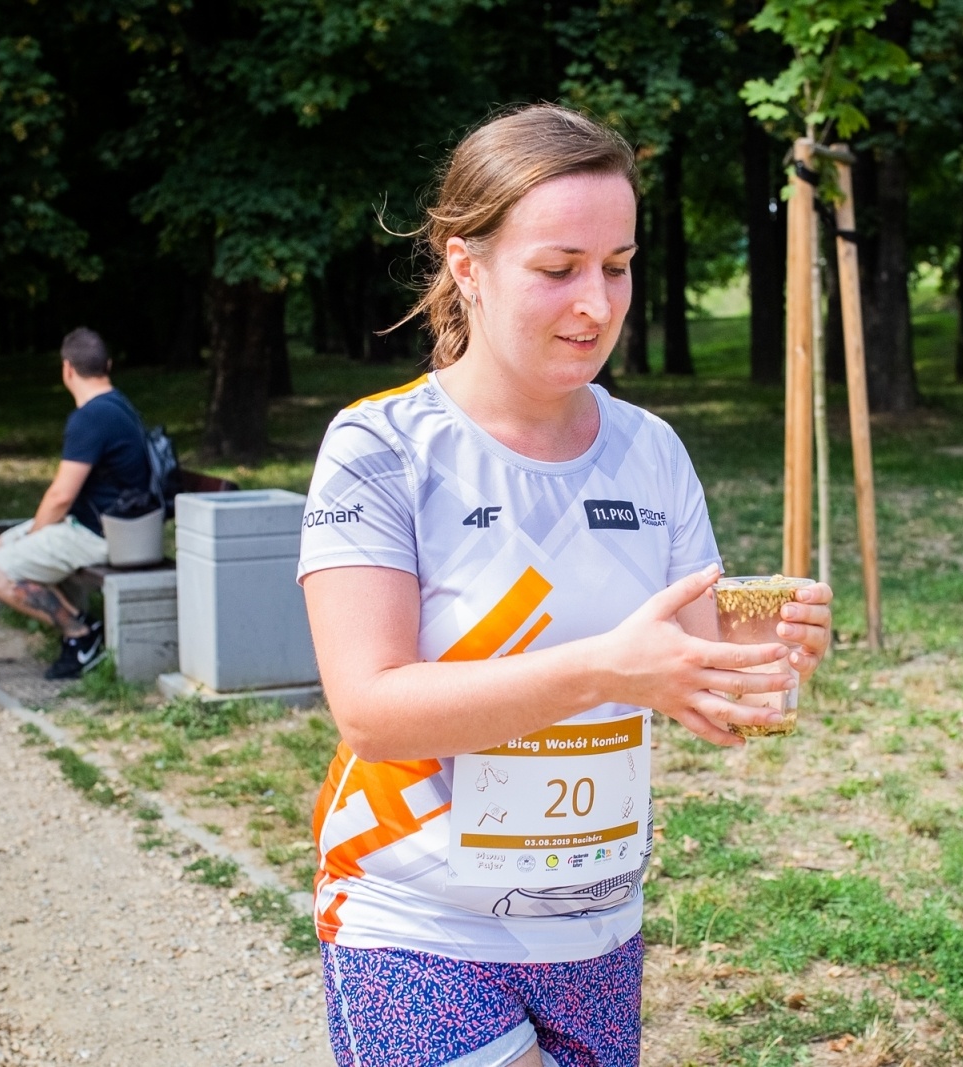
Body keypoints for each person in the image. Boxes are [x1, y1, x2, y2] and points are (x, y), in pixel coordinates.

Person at [298, 104, 833, 1067]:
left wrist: (768, 659)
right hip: (414, 917)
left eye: (617, 266)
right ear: (468, 266)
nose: (597, 303)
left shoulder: (651, 451)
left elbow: (701, 675)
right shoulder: (380, 449)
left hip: (596, 929)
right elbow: (370, 711)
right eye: (558, 269)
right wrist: (601, 670)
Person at [0, 328, 152, 680]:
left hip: (100, 535)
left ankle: (80, 635)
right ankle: (81, 625)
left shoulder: (91, 417)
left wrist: (34, 536)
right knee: (1, 545)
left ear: (67, 369)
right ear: (108, 366)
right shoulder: (119, 405)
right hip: (119, 526)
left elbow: (61, 497)